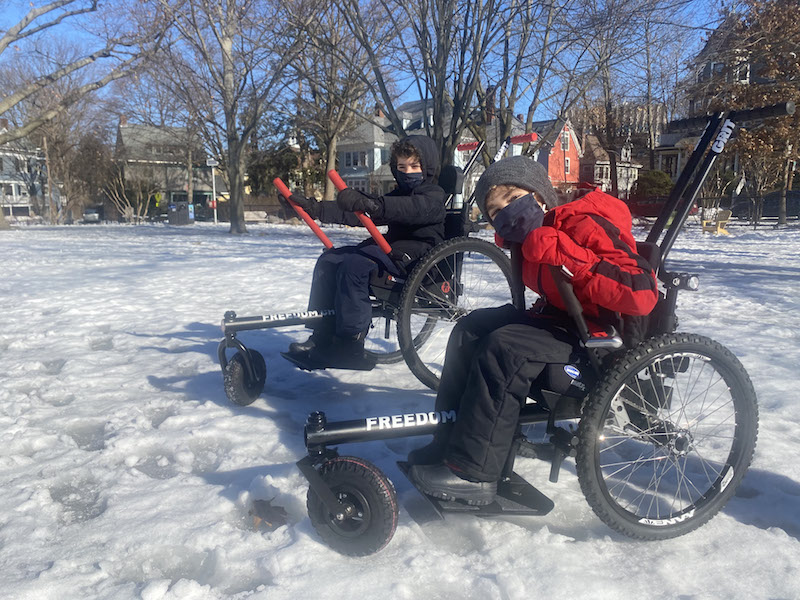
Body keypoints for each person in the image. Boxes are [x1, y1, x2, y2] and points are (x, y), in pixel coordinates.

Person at [407, 155, 658, 506]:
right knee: (471, 329)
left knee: (505, 348)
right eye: (495, 211)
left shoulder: (583, 224)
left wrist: (568, 257)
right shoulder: (524, 240)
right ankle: (448, 444)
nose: (506, 213)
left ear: (540, 195)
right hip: (561, 323)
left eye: (512, 199)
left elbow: (642, 292)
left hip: (601, 341)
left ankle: (474, 474)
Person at [284, 135, 446, 369]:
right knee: (330, 260)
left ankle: (350, 343)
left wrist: (376, 206)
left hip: (420, 257)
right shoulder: (396, 194)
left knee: (355, 266)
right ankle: (323, 334)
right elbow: (360, 213)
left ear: (428, 167)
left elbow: (412, 209)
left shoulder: (434, 195)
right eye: (401, 167)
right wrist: (313, 208)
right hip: (391, 250)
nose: (407, 172)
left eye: (414, 166)